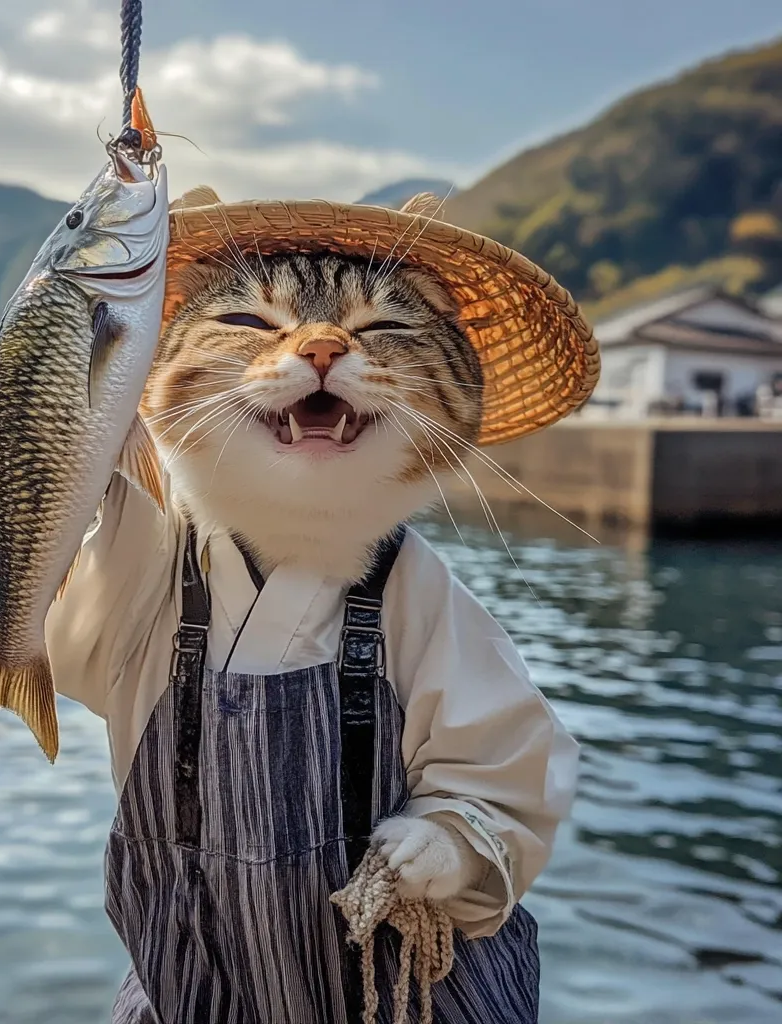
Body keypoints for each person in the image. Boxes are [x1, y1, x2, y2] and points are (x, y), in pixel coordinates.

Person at [45, 185, 599, 1023]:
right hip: (192, 982)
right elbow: (78, 661)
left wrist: (451, 844)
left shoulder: (417, 591)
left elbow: (510, 770)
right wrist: (120, 445)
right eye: (247, 325)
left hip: (403, 996)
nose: (322, 349)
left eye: (383, 331)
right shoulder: (153, 556)